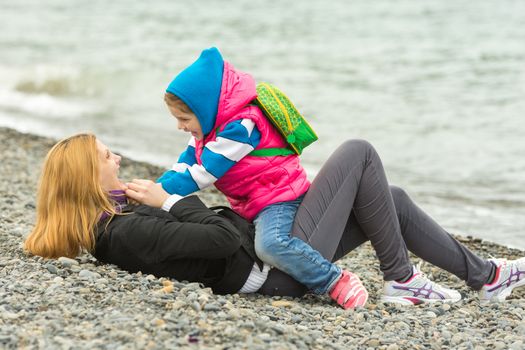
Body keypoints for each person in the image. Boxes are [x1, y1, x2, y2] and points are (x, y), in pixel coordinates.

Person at [24, 134, 525, 307]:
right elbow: (220, 242)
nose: (116, 159)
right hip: (275, 272)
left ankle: (486, 277)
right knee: (359, 153)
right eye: (107, 156)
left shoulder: (115, 220)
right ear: (85, 177)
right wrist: (171, 202)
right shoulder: (121, 229)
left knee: (387, 197)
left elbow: (210, 235)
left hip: (268, 253)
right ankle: (402, 280)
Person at [158, 46, 369, 308]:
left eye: (184, 119)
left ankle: (335, 281)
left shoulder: (240, 128)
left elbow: (201, 175)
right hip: (254, 202)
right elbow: (186, 163)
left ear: (205, 109)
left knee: (270, 246)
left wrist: (156, 196)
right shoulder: (208, 128)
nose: (180, 126)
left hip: (279, 198)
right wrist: (153, 189)